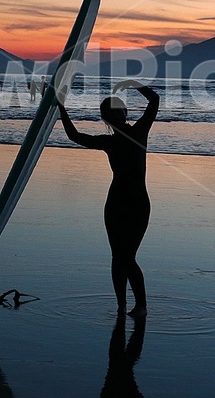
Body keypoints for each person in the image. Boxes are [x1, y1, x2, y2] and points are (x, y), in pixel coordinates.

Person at [58, 79, 159, 317]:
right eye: (110, 114)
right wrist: (61, 107)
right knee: (119, 256)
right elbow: (74, 136)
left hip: (132, 203)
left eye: (115, 112)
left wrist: (134, 84)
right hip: (121, 203)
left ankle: (139, 306)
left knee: (125, 256)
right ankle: (124, 305)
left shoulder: (134, 133)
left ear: (122, 113)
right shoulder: (118, 139)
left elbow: (154, 100)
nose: (114, 117)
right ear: (108, 118)